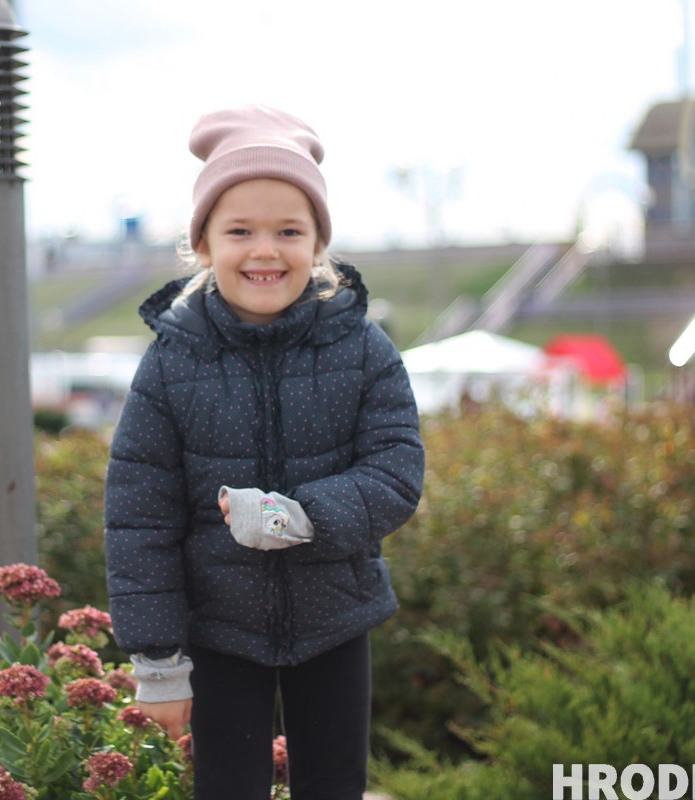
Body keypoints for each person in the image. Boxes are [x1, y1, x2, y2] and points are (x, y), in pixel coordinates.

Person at [104, 105, 425, 800]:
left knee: (335, 786)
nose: (265, 250)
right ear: (202, 244)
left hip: (336, 620)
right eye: (239, 231)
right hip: (218, 630)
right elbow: (139, 519)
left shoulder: (363, 348)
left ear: (318, 245)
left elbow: (397, 469)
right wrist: (158, 662)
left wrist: (300, 516)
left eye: (289, 231)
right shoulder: (169, 363)